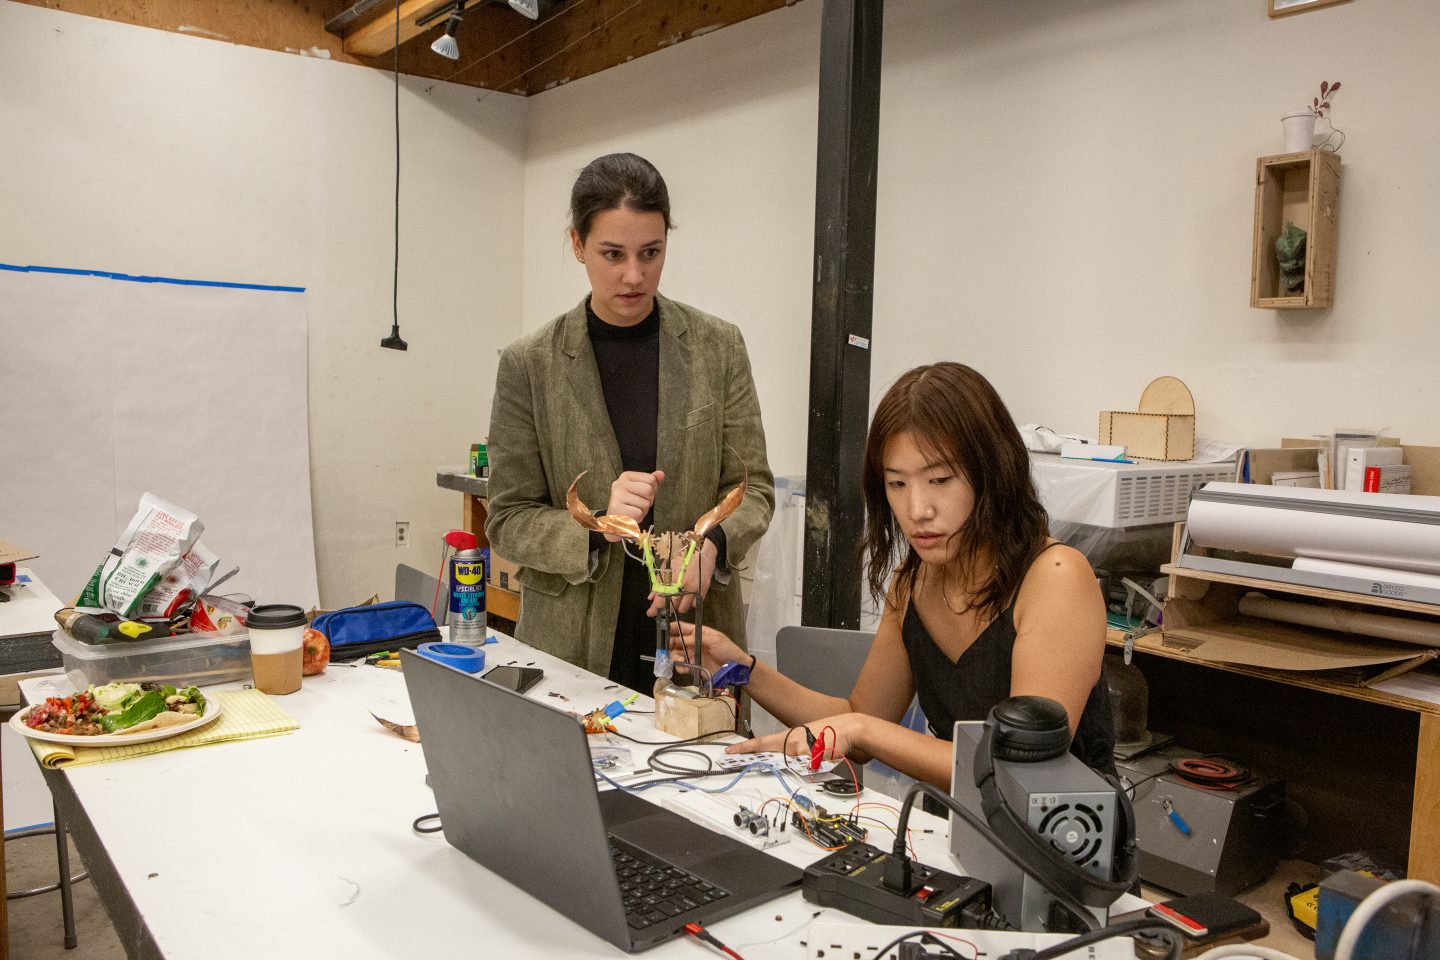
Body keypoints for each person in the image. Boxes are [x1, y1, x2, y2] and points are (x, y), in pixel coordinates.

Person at [672, 362, 1114, 789]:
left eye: (940, 480)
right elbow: (858, 715)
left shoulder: (1056, 578)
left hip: (1063, 849)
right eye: (897, 484)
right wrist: (740, 668)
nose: (917, 510)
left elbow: (1016, 768)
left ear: (993, 473)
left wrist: (862, 730)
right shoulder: (916, 580)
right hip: (960, 834)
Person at [486, 152, 774, 693]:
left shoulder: (718, 348)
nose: (634, 275)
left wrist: (712, 547)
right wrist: (596, 522)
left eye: (651, 253)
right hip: (570, 643)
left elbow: (752, 488)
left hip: (695, 635)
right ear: (577, 245)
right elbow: (507, 519)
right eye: (612, 254)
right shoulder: (530, 364)